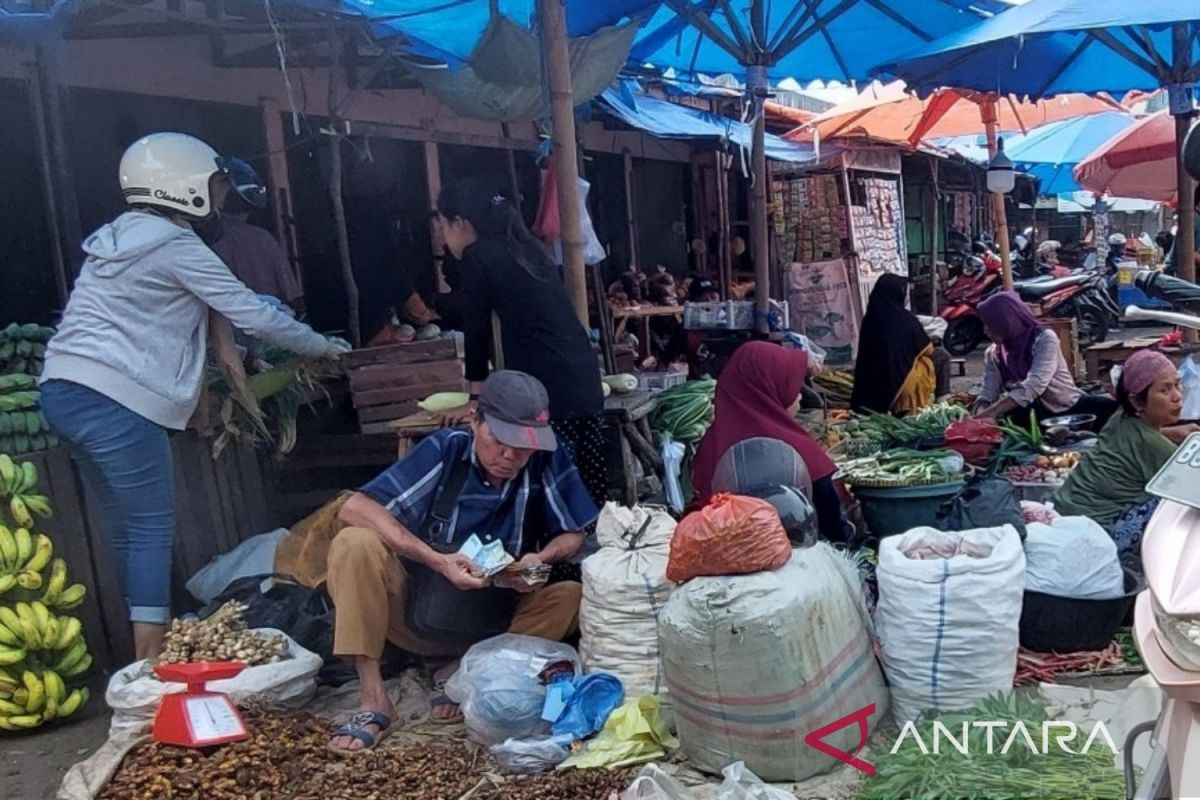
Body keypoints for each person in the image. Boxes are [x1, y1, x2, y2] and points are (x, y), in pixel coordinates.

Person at [39, 133, 346, 661]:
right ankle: (151, 665)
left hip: (63, 392)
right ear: (185, 189)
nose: (223, 198)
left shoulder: (113, 238)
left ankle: (140, 650)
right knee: (151, 529)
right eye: (218, 186)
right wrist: (322, 346)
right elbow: (253, 312)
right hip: (115, 399)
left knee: (127, 529)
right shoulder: (173, 244)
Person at [322, 371, 597, 753]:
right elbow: (355, 507)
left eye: (523, 447)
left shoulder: (544, 459)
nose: (510, 456)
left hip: (496, 617)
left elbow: (576, 533)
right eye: (500, 441)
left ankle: (464, 671)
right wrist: (437, 560)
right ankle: (374, 699)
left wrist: (538, 559)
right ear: (475, 421)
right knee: (354, 543)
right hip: (419, 610)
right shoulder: (445, 449)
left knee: (569, 595)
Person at [433, 180, 608, 509]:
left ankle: (552, 560)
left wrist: (474, 399)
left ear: (460, 223)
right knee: (587, 497)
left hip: (547, 391)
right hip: (584, 382)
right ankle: (594, 555)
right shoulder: (526, 248)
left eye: (442, 225)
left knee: (552, 499)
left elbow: (476, 329)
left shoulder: (477, 256)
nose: (442, 235)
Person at [691, 341, 849, 542]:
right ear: (768, 389)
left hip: (724, 557)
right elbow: (835, 528)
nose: (799, 395)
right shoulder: (801, 451)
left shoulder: (708, 450)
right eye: (789, 385)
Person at [1053, 351, 1198, 567]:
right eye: (1164, 390)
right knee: (1178, 505)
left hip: (1064, 511)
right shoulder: (1153, 446)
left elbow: (1133, 439)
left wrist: (1172, 433)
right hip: (1101, 534)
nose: (1177, 396)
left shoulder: (1120, 418)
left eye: (1177, 385)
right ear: (1137, 402)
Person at [972, 292, 1117, 429]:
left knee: (1113, 410)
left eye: (990, 325)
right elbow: (988, 392)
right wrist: (980, 412)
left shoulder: (1044, 339)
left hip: (1065, 408)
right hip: (1028, 413)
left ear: (1006, 322)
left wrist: (991, 412)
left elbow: (1034, 385)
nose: (985, 331)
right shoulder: (993, 353)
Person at [851, 274, 935, 415]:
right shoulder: (906, 320)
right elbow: (928, 349)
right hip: (898, 386)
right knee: (932, 360)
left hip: (868, 393)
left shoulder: (870, 319)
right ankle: (918, 406)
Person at [208, 191, 304, 313]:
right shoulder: (263, 237)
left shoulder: (212, 241)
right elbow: (287, 281)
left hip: (235, 316)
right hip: (273, 315)